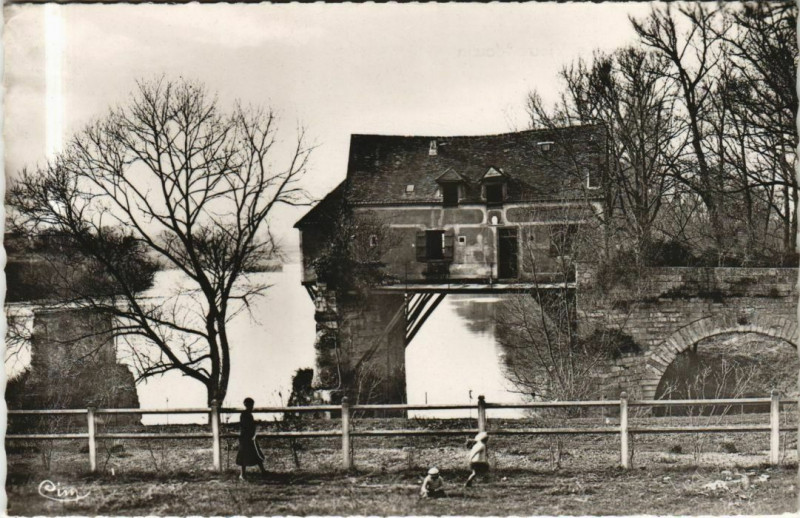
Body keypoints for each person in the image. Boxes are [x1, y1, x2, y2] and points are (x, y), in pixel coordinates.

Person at [236, 397, 266, 480]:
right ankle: (242, 474)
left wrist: (255, 422)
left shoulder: (248, 414)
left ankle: (263, 471)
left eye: (252, 405)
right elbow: (246, 425)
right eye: (250, 405)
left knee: (256, 453)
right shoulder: (245, 414)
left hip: (249, 437)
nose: (251, 407)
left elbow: (249, 424)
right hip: (246, 437)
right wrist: (254, 423)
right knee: (244, 455)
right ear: (246, 405)